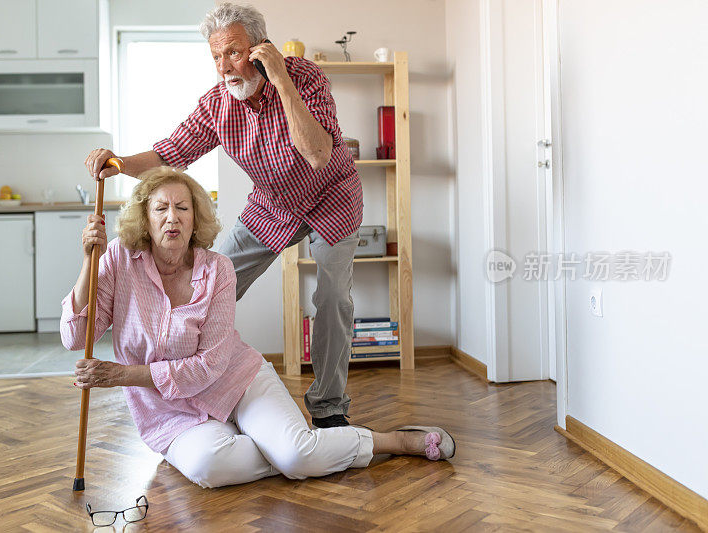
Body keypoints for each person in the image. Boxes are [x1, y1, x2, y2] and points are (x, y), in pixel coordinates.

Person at [61, 167, 454, 489]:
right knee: (209, 469)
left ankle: (394, 441)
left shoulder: (217, 269)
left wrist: (122, 375)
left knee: (297, 456)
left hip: (235, 379)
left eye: (182, 208)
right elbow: (75, 336)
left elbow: (207, 368)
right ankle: (289, 446)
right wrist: (86, 263)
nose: (172, 217)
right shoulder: (117, 260)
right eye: (161, 208)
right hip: (169, 412)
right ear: (145, 218)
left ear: (195, 217)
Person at [84, 3, 362, 428]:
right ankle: (191, 384)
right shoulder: (217, 105)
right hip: (273, 205)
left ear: (260, 47)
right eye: (216, 57)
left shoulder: (305, 77)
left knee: (332, 299)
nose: (224, 67)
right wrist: (119, 163)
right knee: (209, 284)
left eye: (232, 53)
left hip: (332, 198)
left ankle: (328, 409)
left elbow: (318, 153)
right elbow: (168, 154)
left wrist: (281, 79)